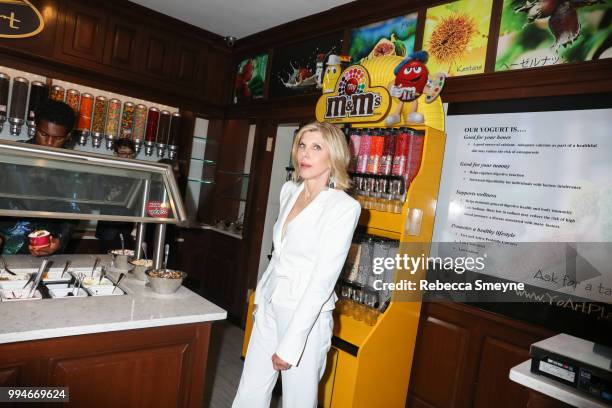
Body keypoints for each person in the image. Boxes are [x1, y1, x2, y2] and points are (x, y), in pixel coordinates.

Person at [232, 122, 361, 408]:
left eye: (317, 147)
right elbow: (281, 254)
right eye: (303, 145)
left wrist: (291, 345)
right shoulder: (289, 190)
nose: (305, 154)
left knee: (298, 403)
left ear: (335, 155)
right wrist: (261, 300)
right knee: (249, 394)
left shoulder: (343, 207)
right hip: (270, 302)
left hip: (305, 316)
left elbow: (322, 282)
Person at [0, 99, 76, 256]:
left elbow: (73, 212)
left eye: (58, 138)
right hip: (7, 247)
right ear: (35, 127)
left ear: (68, 136)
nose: (49, 143)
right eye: (44, 134)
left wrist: (59, 241)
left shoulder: (71, 168)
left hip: (46, 249)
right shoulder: (10, 156)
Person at [94, 138, 137, 254]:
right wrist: (109, 198)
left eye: (130, 154)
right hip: (108, 230)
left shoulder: (137, 175)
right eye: (123, 154)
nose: (127, 157)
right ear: (115, 154)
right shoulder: (105, 173)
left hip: (128, 231)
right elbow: (94, 201)